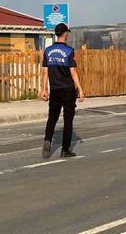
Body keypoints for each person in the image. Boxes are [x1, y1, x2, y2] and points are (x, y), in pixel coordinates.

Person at [41, 23, 85, 159]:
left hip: (54, 89)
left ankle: (48, 140)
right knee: (68, 120)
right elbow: (73, 72)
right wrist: (81, 89)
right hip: (67, 89)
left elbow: (44, 71)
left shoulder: (48, 51)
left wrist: (43, 89)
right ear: (65, 33)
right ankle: (65, 150)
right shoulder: (69, 51)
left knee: (52, 118)